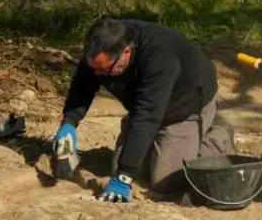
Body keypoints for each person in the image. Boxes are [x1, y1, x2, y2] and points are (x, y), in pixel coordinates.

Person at [52, 17, 236, 203]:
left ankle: (215, 136)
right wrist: (69, 122)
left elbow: (147, 116)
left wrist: (124, 178)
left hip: (186, 103)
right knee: (122, 167)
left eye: (106, 71)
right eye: (95, 70)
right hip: (146, 103)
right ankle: (156, 148)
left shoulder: (160, 57)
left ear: (126, 52)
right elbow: (83, 85)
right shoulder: (101, 46)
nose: (99, 76)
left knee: (166, 181)